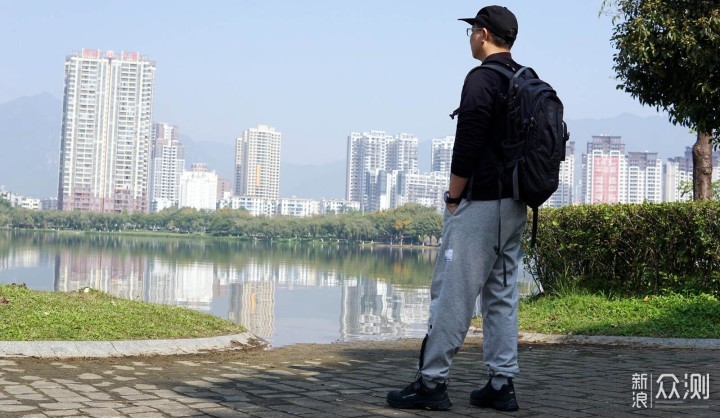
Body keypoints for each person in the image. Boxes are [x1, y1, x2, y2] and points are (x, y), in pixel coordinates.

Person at [386, 5, 526, 412]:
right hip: (515, 205)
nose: (469, 39)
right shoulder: (524, 79)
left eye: (471, 32)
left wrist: (452, 196)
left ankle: (432, 383)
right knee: (500, 294)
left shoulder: (482, 79)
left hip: (481, 202)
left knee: (453, 292)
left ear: (483, 34)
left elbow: (467, 143)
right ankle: (501, 384)